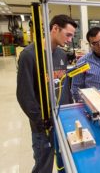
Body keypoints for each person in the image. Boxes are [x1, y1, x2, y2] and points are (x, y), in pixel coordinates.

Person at [17, 14, 77, 173]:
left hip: (62, 120)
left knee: (65, 162)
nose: (70, 40)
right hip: (43, 127)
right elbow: (24, 95)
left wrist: (69, 110)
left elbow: (64, 87)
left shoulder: (61, 55)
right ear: (55, 29)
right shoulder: (29, 55)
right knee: (44, 165)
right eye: (68, 34)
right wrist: (41, 121)